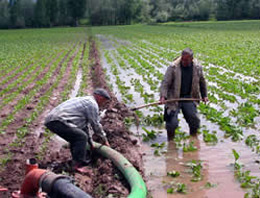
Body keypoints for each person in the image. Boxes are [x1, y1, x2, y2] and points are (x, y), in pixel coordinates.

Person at [44, 88, 111, 173]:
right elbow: (95, 125)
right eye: (104, 101)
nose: (103, 104)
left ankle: (75, 161)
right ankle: (77, 165)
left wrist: (90, 142)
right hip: (58, 120)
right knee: (81, 137)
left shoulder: (86, 101)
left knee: (76, 137)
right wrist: (105, 140)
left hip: (52, 120)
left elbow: (84, 126)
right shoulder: (92, 104)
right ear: (99, 97)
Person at [160, 48, 208, 140]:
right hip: (173, 98)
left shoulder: (197, 68)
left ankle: (193, 139)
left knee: (194, 121)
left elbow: (202, 82)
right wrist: (163, 96)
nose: (184, 61)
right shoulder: (173, 67)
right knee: (171, 123)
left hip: (189, 98)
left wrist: (204, 95)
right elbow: (165, 83)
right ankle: (170, 142)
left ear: (191, 59)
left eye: (186, 60)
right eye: (182, 59)